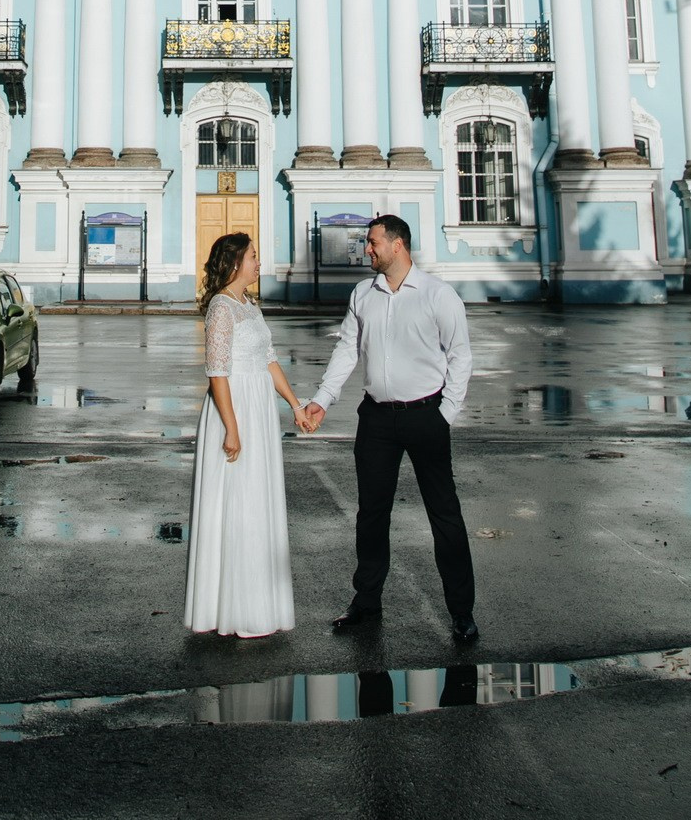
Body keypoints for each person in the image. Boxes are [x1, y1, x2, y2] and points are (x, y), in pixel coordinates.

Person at [302, 214, 478, 642]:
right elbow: (347, 349)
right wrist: (322, 399)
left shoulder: (437, 295)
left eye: (373, 242)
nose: (367, 249)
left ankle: (461, 612)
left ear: (397, 245)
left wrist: (445, 414)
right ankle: (366, 602)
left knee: (444, 515)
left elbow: (460, 356)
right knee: (372, 514)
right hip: (376, 419)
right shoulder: (363, 294)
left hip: (426, 416)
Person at [184, 231, 310, 638]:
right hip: (234, 408)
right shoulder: (221, 307)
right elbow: (218, 372)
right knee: (236, 504)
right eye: (254, 256)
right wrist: (232, 428)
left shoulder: (250, 306)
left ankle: (258, 605)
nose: (259, 262)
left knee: (257, 501)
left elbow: (269, 360)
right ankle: (232, 609)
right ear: (236, 262)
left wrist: (295, 405)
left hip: (259, 408)